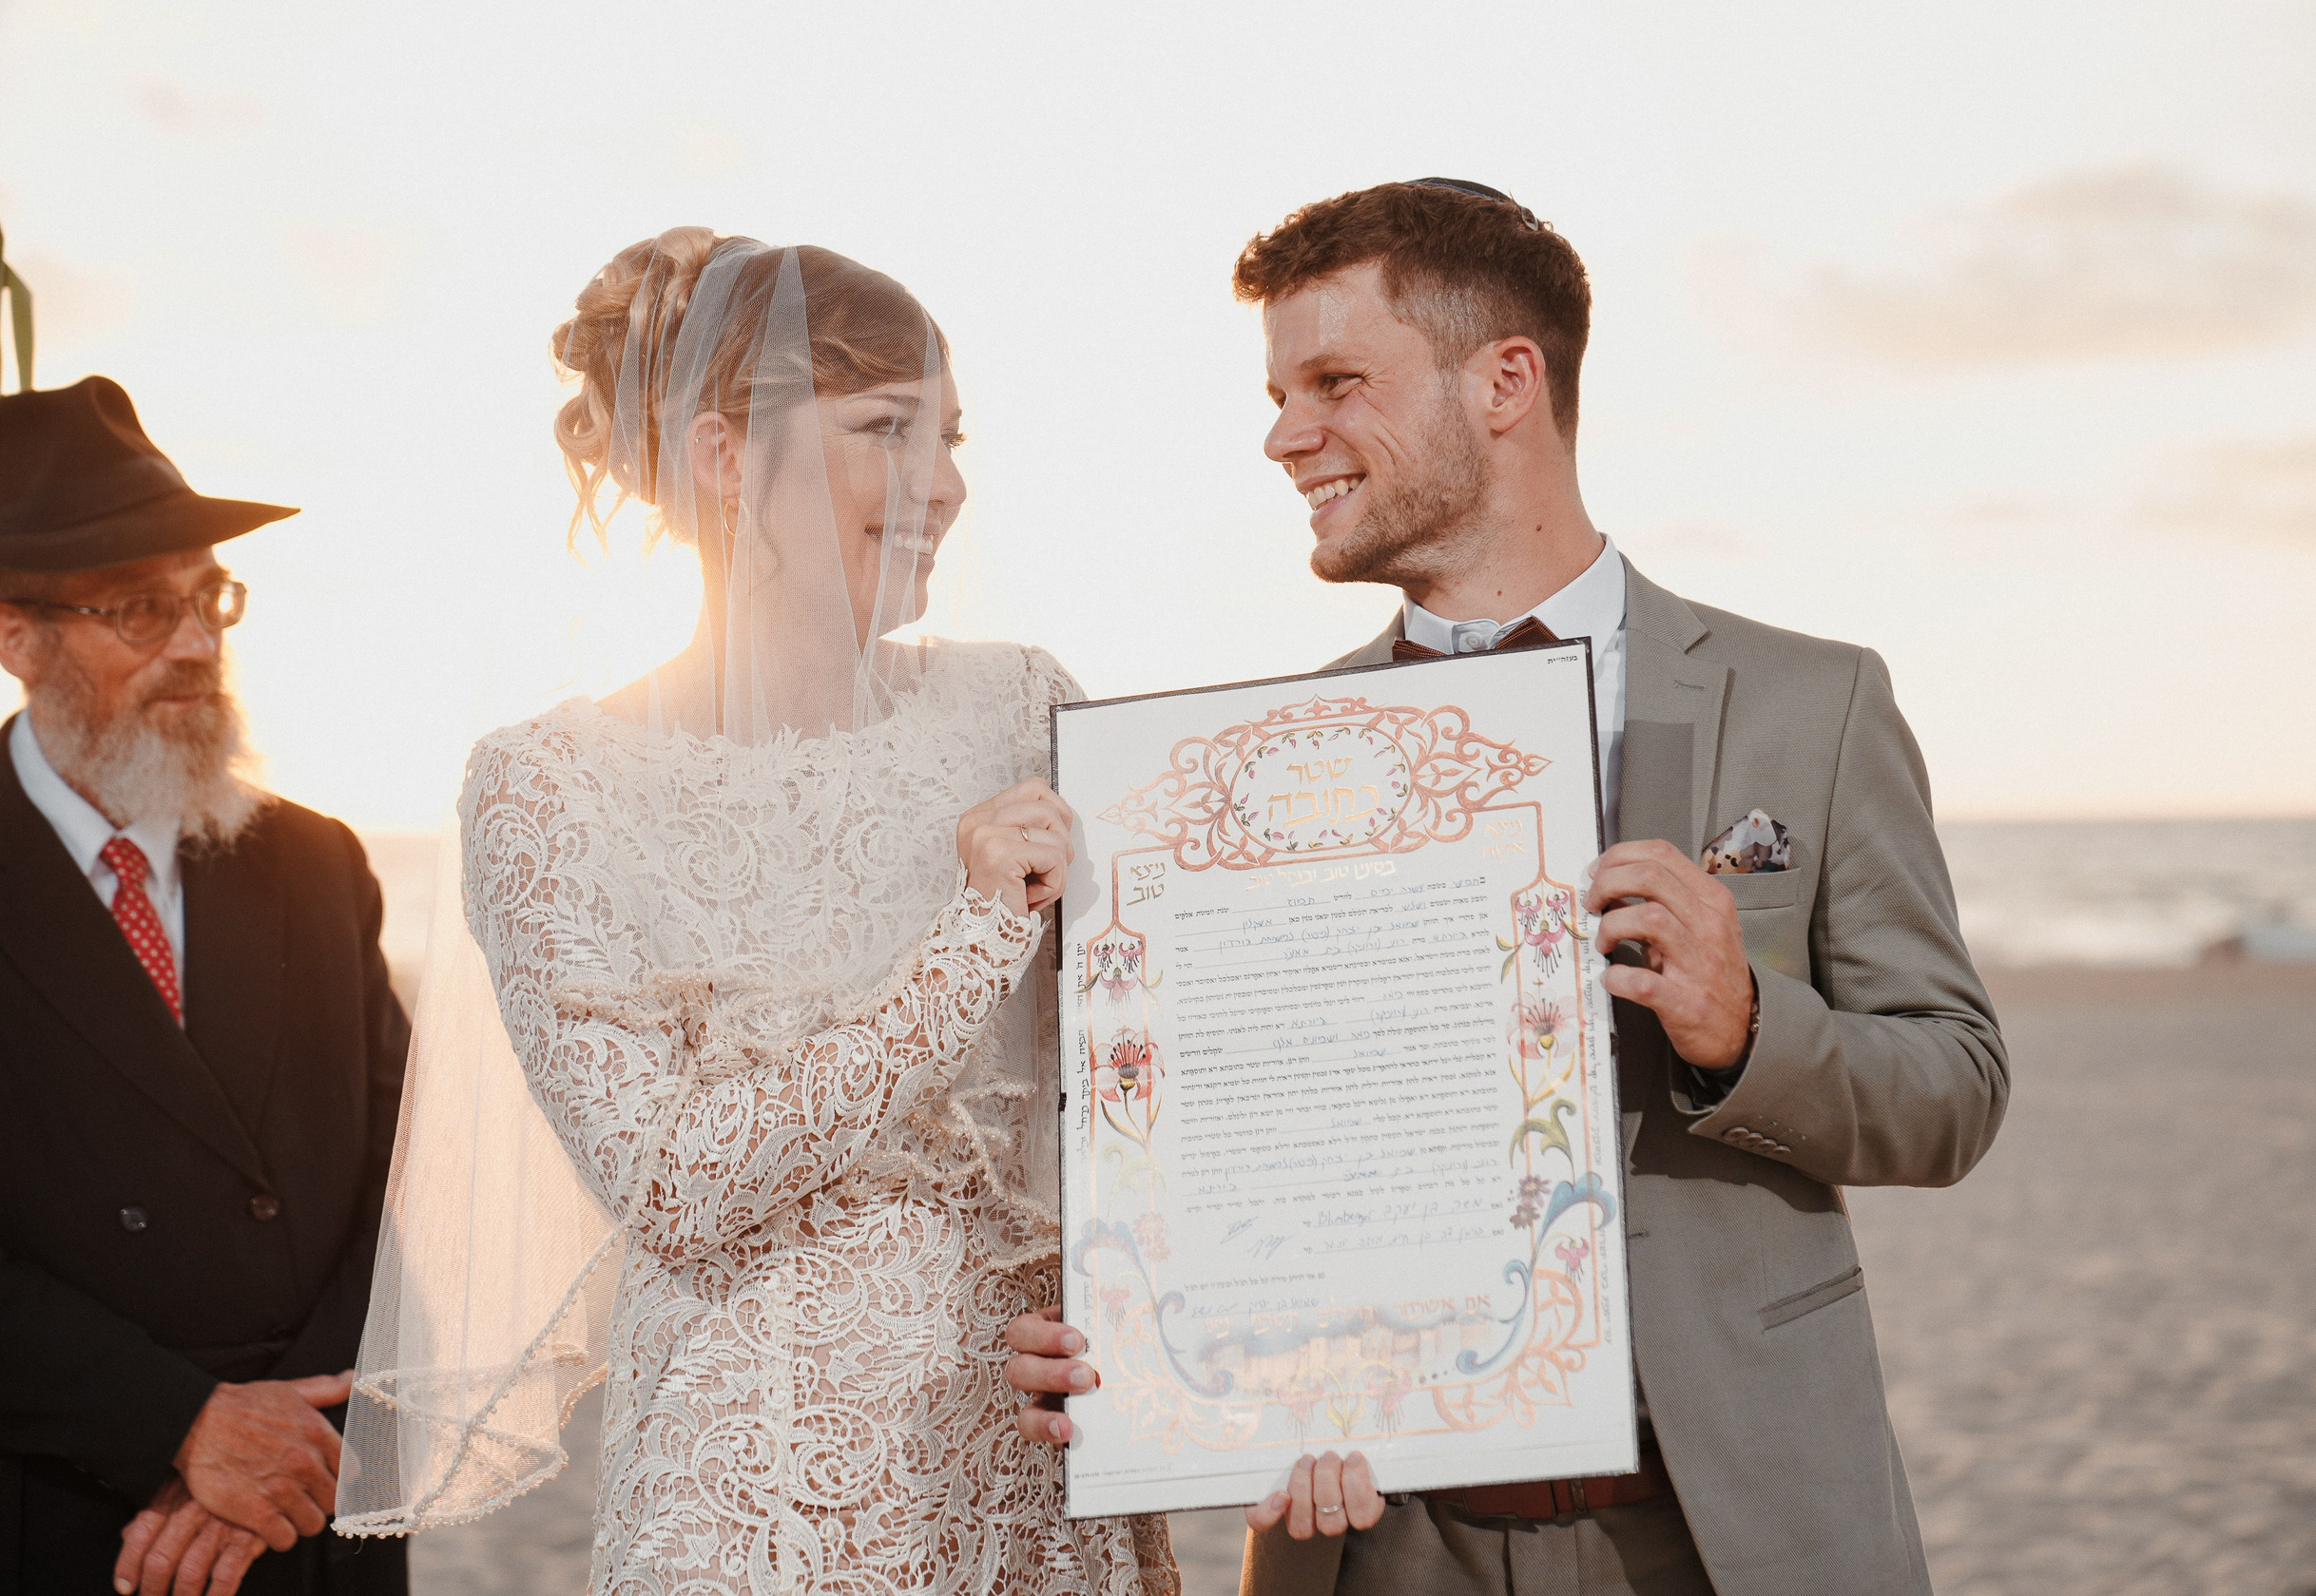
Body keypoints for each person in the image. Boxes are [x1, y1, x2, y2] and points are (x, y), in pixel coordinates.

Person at [1003, 181, 2009, 1595]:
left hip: (1732, 1528)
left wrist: (1742, 1025)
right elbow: (1205, 1150)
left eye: (1335, 382)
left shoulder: (1811, 702)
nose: (1285, 435)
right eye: (1280, 395)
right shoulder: (1241, 774)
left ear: (1505, 382)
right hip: (1375, 1540)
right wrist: (1131, 1335)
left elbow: (1954, 1089)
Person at [333, 229, 1175, 1596]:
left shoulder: (1022, 703)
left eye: (952, 435)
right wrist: (972, 940)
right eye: (888, 428)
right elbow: (672, 1183)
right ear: (723, 455)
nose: (944, 482)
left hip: (1027, 1478)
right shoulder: (549, 785)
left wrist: (1151, 1324)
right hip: (748, 1505)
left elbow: (1147, 1079)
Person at [0, 375, 411, 1596]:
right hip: (70, 1519)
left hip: (316, 1505)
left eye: (208, 598)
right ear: (17, 635)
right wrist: (178, 1428)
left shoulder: (317, 861)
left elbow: (410, 1180)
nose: (194, 644)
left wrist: (282, 1441)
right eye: (141, 608)